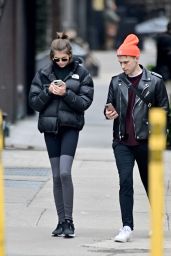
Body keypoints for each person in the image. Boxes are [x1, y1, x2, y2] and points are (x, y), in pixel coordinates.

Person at [104, 34, 169, 242]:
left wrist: (158, 140)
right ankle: (126, 226)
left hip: (146, 141)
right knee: (125, 182)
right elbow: (109, 106)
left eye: (126, 61)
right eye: (120, 62)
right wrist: (109, 113)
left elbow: (164, 111)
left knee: (151, 183)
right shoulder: (116, 83)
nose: (123, 66)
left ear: (136, 59)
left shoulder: (155, 82)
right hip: (122, 141)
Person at [29, 32, 94, 238]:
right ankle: (60, 222)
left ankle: (69, 221)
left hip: (70, 128)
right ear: (51, 57)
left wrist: (66, 92)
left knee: (65, 172)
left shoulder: (81, 73)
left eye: (64, 59)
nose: (60, 62)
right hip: (50, 129)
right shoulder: (43, 74)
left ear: (70, 55)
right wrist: (49, 91)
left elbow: (84, 103)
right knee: (56, 175)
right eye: (56, 59)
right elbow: (34, 103)